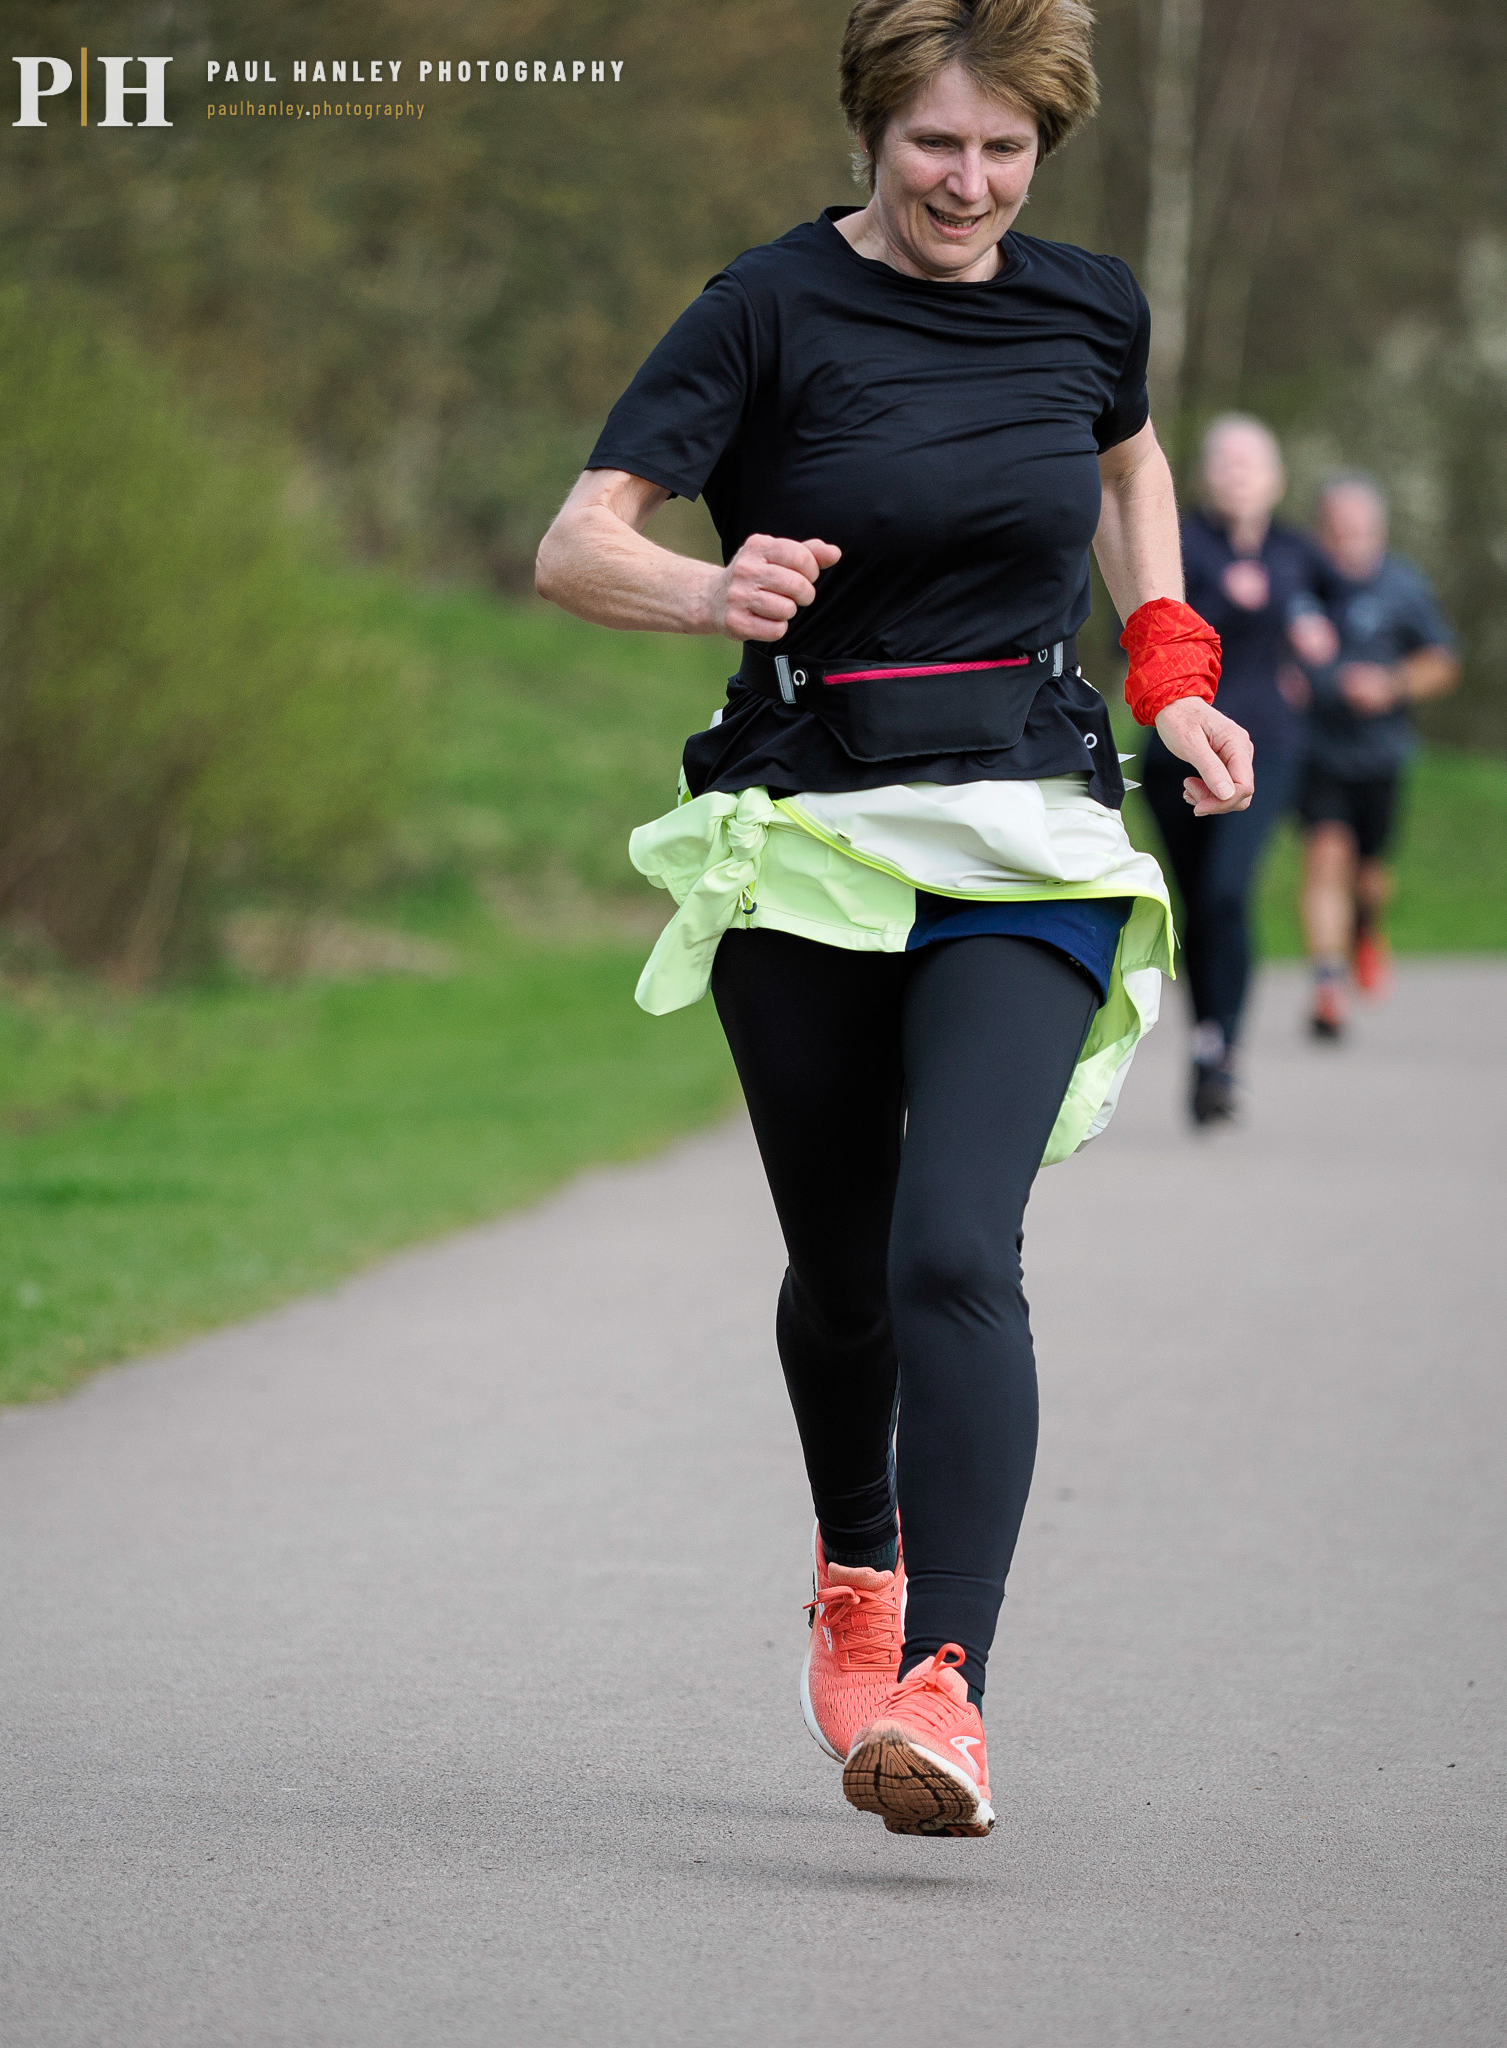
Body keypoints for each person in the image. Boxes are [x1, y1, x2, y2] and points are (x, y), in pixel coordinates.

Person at [536, 0, 1251, 1840]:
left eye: (1006, 150)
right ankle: (859, 1563)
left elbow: (1128, 465)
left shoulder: (1089, 307)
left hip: (1027, 825)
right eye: (938, 143)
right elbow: (577, 540)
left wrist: (1170, 672)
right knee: (847, 1269)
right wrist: (709, 591)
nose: (970, 182)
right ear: (871, 132)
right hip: (811, 832)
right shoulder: (764, 309)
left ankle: (946, 1687)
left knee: (955, 1249)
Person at [1142, 416, 1330, 1124]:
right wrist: (1227, 598)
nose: (1238, 474)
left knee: (1227, 892)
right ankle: (1206, 1043)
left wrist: (1320, 653)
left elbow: (1351, 615)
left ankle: (1222, 1054)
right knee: (1198, 903)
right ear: (1204, 474)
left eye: (1251, 463)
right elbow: (1143, 623)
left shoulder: (1296, 551)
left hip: (1267, 745)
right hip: (1179, 748)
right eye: (1225, 462)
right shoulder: (1179, 542)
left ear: (1275, 479)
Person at [1298, 474, 1459, 1037]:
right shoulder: (1303, 583)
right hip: (1317, 749)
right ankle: (1327, 986)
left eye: (1360, 532)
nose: (1349, 544)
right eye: (1338, 533)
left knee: (1369, 875)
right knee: (1325, 855)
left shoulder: (1404, 586)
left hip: (1381, 754)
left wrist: (1390, 684)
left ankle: (1366, 930)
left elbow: (1443, 662)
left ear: (1380, 532)